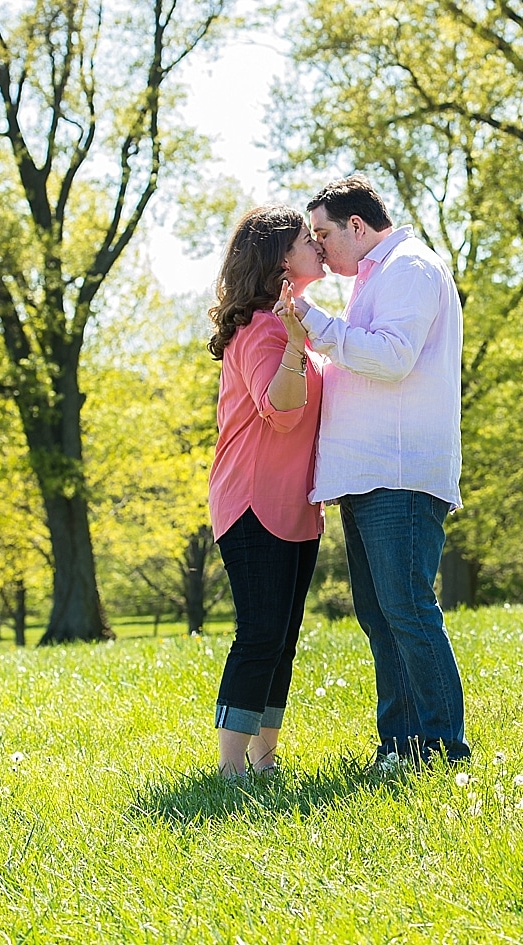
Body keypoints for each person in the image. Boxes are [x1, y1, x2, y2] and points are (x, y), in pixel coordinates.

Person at [284, 175, 469, 766]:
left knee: (407, 608)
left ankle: (440, 745)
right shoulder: (376, 278)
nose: (320, 248)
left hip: (399, 469)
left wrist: (314, 322)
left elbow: (391, 357)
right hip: (367, 475)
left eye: (324, 234)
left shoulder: (410, 268)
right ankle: (401, 742)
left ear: (357, 227)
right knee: (379, 613)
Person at [205, 205, 325, 777]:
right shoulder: (262, 327)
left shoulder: (288, 320)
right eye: (307, 237)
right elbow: (280, 409)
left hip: (295, 504)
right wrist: (297, 345)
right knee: (260, 634)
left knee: (283, 637)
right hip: (253, 501)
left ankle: (265, 763)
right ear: (281, 256)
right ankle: (232, 771)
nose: (318, 244)